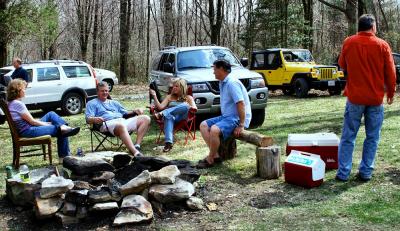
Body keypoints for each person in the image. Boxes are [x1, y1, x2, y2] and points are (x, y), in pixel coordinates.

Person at [335, 14, 397, 182]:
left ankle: (343, 173)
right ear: (373, 26)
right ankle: (366, 172)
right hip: (375, 99)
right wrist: (391, 92)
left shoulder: (349, 42)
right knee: (372, 137)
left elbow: (342, 65)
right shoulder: (382, 45)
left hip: (355, 97)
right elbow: (391, 73)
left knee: (348, 136)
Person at [6, 79, 80, 162]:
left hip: (27, 128)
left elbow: (31, 121)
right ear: (18, 90)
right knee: (61, 130)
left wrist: (45, 123)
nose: (25, 91)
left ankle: (64, 127)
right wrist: (47, 125)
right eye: (23, 89)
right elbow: (32, 122)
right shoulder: (18, 104)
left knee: (51, 114)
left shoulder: (11, 103)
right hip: (28, 130)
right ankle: (64, 157)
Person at [197, 59, 251, 168]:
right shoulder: (223, 82)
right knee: (203, 125)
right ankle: (215, 156)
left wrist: (241, 124)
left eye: (215, 69)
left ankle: (210, 158)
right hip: (227, 117)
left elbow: (240, 103)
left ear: (221, 69)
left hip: (237, 118)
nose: (213, 72)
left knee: (214, 129)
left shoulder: (232, 83)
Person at [86, 82, 151, 157]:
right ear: (97, 92)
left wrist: (135, 111)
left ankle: (137, 145)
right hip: (106, 124)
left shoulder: (114, 102)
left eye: (106, 91)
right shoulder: (92, 103)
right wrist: (94, 119)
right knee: (121, 125)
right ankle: (135, 153)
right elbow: (88, 119)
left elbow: (125, 114)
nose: (105, 92)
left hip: (122, 121)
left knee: (146, 118)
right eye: (102, 91)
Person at [149, 78, 197, 152]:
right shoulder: (169, 97)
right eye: (174, 86)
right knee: (168, 116)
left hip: (182, 118)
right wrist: (154, 96)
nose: (174, 88)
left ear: (182, 87)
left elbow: (194, 108)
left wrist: (189, 106)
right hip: (171, 118)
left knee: (185, 105)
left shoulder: (188, 98)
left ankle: (162, 113)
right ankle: (168, 143)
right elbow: (160, 107)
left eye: (177, 86)